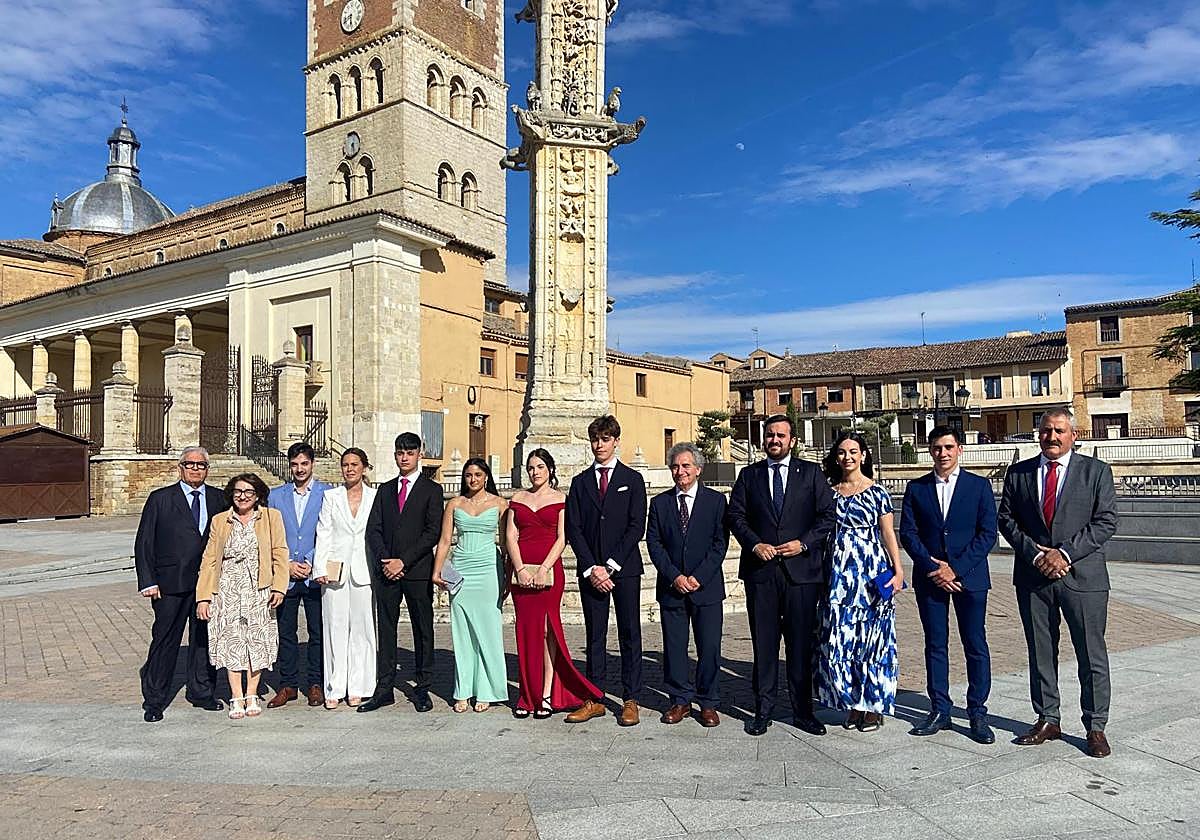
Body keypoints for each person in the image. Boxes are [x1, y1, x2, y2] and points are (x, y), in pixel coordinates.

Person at [998, 408, 1119, 758]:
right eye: (1046, 430)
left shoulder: (1096, 472)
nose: (1052, 437)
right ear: (1039, 434)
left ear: (1073, 435)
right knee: (1040, 651)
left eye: (1060, 431)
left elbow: (1106, 521)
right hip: (1034, 578)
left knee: (1091, 653)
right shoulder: (1019, 473)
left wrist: (1063, 554)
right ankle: (1048, 718)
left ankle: (1096, 726)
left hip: (1083, 577)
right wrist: (1036, 555)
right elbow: (1006, 520)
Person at [728, 414, 836, 737]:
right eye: (770, 435)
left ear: (792, 440)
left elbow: (827, 516)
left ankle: (804, 711)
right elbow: (735, 515)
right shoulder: (749, 475)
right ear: (764, 439)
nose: (775, 440)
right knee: (764, 644)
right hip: (761, 573)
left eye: (781, 435)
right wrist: (754, 543)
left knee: (801, 645)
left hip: (801, 575)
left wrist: (804, 544)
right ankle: (763, 710)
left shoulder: (811, 474)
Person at [900, 426, 998, 744]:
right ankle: (940, 709)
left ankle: (977, 713)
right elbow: (909, 534)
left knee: (975, 645)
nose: (942, 453)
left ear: (959, 449)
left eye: (948, 447)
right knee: (936, 644)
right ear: (930, 451)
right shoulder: (917, 489)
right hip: (930, 580)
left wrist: (954, 569)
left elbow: (987, 534)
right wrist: (933, 568)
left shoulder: (979, 486)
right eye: (937, 448)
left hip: (969, 579)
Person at [816, 431, 905, 732]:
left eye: (853, 451)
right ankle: (851, 702)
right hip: (838, 574)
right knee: (839, 639)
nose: (848, 457)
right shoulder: (829, 492)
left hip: (870, 571)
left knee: (873, 641)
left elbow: (888, 534)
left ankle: (873, 706)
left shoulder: (878, 492)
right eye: (842, 452)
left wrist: (898, 569)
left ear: (864, 455)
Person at [506, 449, 602, 719]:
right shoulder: (517, 498)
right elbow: (510, 537)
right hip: (522, 574)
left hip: (549, 574)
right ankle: (527, 695)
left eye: (539, 466)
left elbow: (563, 538)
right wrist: (521, 569)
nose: (534, 472)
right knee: (526, 632)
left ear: (550, 469)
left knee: (548, 631)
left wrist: (543, 569)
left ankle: (546, 694)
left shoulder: (561, 499)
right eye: (530, 467)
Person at [564, 415, 648, 726]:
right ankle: (594, 697)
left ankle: (630, 699)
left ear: (616, 441)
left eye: (605, 439)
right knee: (594, 635)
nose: (599, 444)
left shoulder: (633, 479)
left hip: (623, 571)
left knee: (629, 634)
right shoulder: (581, 482)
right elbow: (574, 528)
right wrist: (591, 568)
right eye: (595, 439)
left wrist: (610, 566)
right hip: (591, 574)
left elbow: (636, 526)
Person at [135, 446, 229, 722]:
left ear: (207, 469)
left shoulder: (218, 498)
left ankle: (202, 692)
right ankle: (154, 699)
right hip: (169, 584)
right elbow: (144, 543)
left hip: (206, 585)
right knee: (165, 640)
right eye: (190, 464)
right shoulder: (161, 499)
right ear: (181, 467)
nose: (196, 469)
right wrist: (148, 581)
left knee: (203, 639)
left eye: (201, 465)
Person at [359, 432, 445, 713]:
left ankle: (422, 687)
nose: (404, 457)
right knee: (386, 628)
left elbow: (432, 532)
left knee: (422, 629)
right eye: (400, 452)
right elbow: (374, 529)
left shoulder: (432, 490)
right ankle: (384, 688)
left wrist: (403, 562)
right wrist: (387, 560)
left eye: (409, 452)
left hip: (416, 570)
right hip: (387, 571)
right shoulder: (384, 490)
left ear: (420, 453)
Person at [646, 442, 729, 728]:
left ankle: (708, 702)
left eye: (685, 466)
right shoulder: (659, 504)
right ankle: (679, 700)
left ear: (698, 469)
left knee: (709, 648)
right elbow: (654, 544)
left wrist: (698, 577)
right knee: (675, 647)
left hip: (705, 588)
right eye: (674, 467)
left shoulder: (716, 502)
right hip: (672, 589)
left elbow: (720, 544)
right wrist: (675, 576)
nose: (679, 471)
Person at [196, 473, 290, 720]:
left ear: (257, 494)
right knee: (232, 641)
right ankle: (236, 695)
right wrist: (203, 597)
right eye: (238, 491)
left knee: (257, 640)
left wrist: (280, 586)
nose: (243, 496)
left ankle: (252, 693)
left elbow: (280, 552)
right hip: (227, 588)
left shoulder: (270, 517)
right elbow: (209, 559)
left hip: (259, 589)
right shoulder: (220, 520)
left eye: (248, 491)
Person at [432, 459, 509, 713]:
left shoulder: (500, 504)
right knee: (462, 632)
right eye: (468, 475)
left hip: (488, 568)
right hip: (462, 569)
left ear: (486, 476)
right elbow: (444, 541)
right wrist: (436, 571)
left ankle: (487, 689)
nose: (473, 479)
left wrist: (509, 574)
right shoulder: (454, 504)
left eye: (477, 474)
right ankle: (463, 689)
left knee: (488, 630)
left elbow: (507, 543)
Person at [266, 443, 332, 709]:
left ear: (312, 464)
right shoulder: (276, 496)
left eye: (304, 463)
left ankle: (315, 683)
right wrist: (288, 564)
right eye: (294, 464)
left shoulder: (328, 493)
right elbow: (271, 535)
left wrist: (311, 560)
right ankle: (288, 684)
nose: (299, 469)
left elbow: (331, 531)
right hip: (287, 574)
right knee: (286, 632)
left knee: (318, 631)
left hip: (315, 574)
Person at [313, 448, 378, 709]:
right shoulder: (331, 497)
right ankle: (335, 685)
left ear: (364, 467)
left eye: (354, 464)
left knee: (363, 628)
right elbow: (324, 531)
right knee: (334, 627)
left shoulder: (375, 497)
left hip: (364, 568)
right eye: (345, 464)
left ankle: (361, 685)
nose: (349, 469)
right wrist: (320, 568)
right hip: (335, 568)